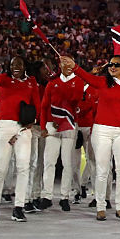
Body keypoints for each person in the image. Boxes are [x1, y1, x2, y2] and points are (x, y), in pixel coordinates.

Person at [73, 56, 120, 221]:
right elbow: (86, 76)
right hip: (102, 130)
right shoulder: (103, 82)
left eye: (116, 65)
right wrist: (75, 66)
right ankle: (100, 206)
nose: (112, 67)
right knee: (102, 170)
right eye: (110, 64)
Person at [0, 56, 40, 222]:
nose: (15, 67)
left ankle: (18, 207)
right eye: (12, 64)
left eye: (19, 64)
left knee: (23, 168)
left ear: (25, 66)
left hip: (23, 127)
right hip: (4, 126)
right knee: (1, 168)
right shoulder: (4, 79)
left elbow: (37, 105)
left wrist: (32, 121)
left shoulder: (31, 82)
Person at [38, 55, 83, 212]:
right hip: (52, 126)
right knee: (49, 161)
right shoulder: (52, 83)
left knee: (67, 163)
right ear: (60, 65)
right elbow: (44, 106)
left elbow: (74, 100)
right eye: (64, 62)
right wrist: (43, 126)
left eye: (70, 62)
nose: (68, 65)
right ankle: (47, 196)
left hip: (69, 125)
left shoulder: (78, 81)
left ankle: (65, 197)